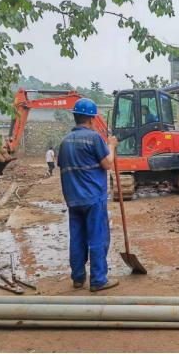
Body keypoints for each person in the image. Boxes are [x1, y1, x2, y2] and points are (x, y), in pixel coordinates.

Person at [57, 98, 119, 292]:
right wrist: (112, 145)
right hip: (93, 198)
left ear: (75, 117)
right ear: (92, 119)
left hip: (73, 199)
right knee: (97, 238)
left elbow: (63, 166)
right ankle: (99, 280)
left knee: (77, 238)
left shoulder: (64, 141)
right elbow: (108, 164)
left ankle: (77, 277)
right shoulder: (93, 138)